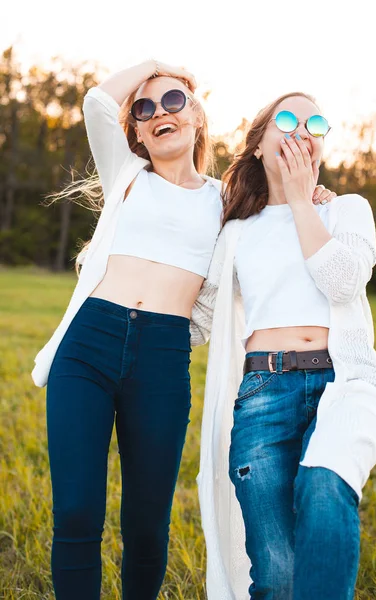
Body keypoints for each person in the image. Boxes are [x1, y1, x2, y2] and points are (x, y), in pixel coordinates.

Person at [31, 59, 224, 600]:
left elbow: (277, 225)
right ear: (136, 131)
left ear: (197, 117)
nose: (160, 112)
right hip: (88, 346)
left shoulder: (227, 201)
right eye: (145, 108)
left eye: (174, 101)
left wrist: (320, 197)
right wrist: (157, 66)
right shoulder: (126, 175)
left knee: (145, 523)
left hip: (162, 359)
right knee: (75, 510)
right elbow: (95, 101)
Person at [194, 92, 376, 599]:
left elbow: (344, 283)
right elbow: (199, 318)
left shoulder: (346, 210)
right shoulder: (236, 231)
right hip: (263, 393)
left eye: (315, 123)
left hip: (342, 383)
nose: (302, 130)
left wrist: (303, 202)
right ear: (259, 144)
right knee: (277, 575)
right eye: (287, 119)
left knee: (325, 488)